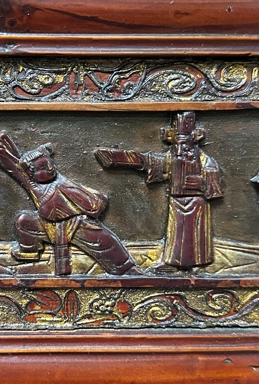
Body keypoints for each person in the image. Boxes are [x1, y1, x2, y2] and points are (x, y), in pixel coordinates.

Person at [0, 131, 137, 276]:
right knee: (23, 221)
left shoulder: (62, 183)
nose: (49, 168)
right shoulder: (33, 185)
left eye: (48, 164)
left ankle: (125, 268)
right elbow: (12, 165)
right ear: (31, 174)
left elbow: (95, 205)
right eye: (42, 168)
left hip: (76, 225)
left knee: (106, 241)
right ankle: (30, 251)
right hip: (47, 225)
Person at [95, 111, 223, 270]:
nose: (179, 151)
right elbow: (150, 161)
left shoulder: (206, 161)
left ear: (193, 143)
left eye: (184, 146)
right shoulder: (173, 159)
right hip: (177, 202)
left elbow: (214, 188)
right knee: (176, 234)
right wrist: (120, 158)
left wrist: (202, 183)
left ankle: (195, 266)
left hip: (197, 203)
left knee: (194, 235)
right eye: (176, 146)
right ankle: (173, 263)